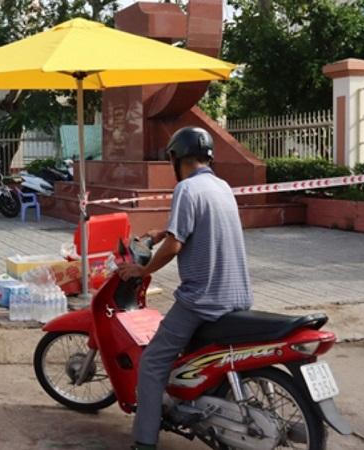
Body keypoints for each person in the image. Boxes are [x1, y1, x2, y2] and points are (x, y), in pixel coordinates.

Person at [116, 127, 253, 450]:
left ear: (176, 158)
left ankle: (145, 441)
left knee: (151, 364)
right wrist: (163, 231)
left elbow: (175, 246)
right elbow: (195, 226)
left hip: (202, 300)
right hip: (238, 296)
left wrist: (142, 268)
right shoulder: (222, 187)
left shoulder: (187, 190)